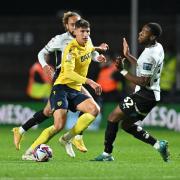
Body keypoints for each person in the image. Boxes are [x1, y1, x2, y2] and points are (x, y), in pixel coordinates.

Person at [12, 11, 103, 153]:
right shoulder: (60, 40)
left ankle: (22, 129)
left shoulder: (85, 37)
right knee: (85, 108)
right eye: (72, 24)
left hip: (76, 80)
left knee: (48, 111)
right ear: (66, 26)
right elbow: (41, 53)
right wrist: (45, 66)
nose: (75, 27)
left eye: (77, 24)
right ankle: (76, 136)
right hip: (64, 77)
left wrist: (98, 58)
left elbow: (91, 52)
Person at [93, 22, 170, 162]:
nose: (140, 33)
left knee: (112, 117)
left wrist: (122, 70)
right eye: (141, 30)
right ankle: (159, 145)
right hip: (152, 95)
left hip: (144, 95)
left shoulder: (150, 55)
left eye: (145, 32)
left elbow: (142, 81)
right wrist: (128, 55)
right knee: (127, 125)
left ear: (152, 37)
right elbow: (144, 68)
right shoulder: (158, 47)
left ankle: (106, 154)